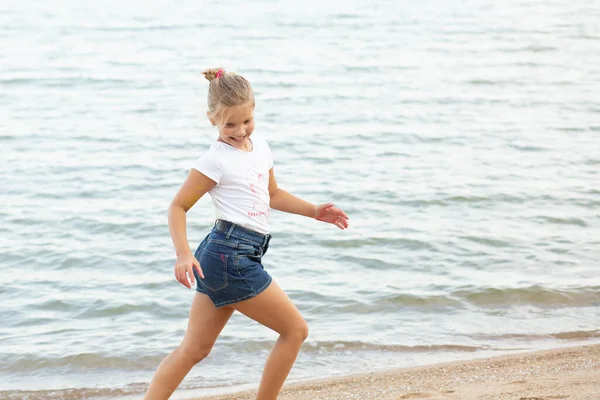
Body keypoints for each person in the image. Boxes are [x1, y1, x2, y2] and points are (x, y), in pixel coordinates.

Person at [144, 67, 349, 400]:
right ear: (211, 118)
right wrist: (183, 253)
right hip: (229, 257)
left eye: (246, 121)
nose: (240, 132)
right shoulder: (214, 160)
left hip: (226, 256)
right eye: (229, 125)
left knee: (195, 349)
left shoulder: (261, 148)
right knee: (295, 330)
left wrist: (313, 211)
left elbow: (272, 194)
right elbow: (177, 207)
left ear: (254, 111)